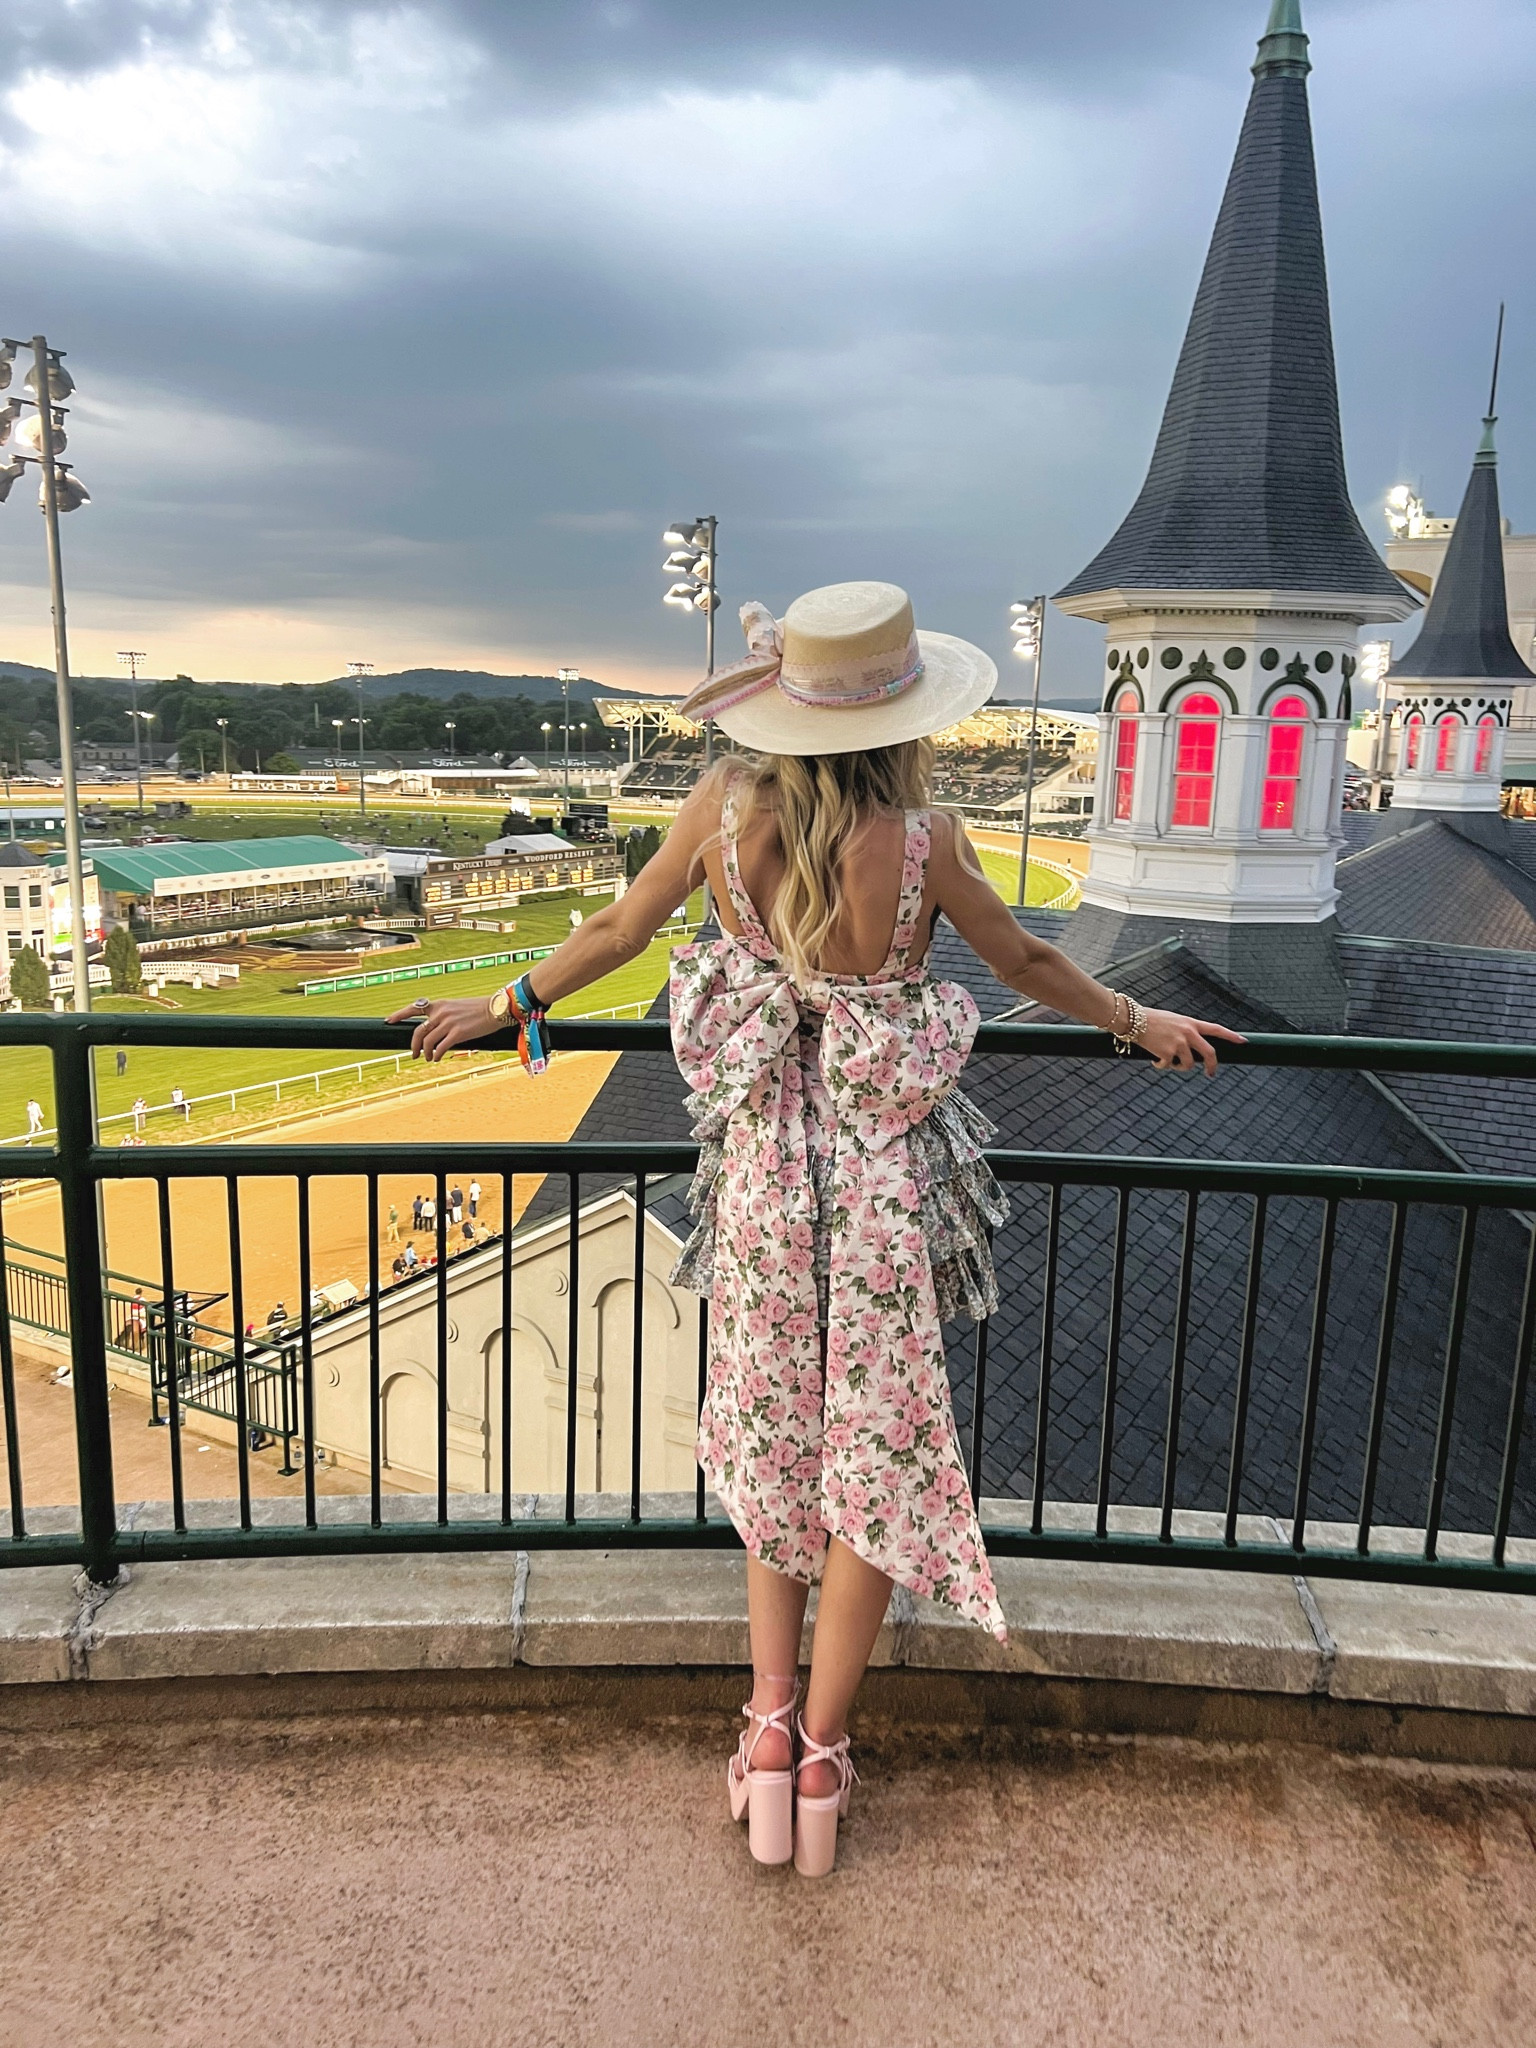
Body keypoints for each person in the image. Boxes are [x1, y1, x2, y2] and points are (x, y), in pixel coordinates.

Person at [387, 580, 1241, 1876]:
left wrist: (506, 1003)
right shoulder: (927, 840)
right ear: (904, 717)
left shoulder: (724, 814)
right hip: (881, 1179)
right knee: (877, 1456)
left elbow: (618, 929)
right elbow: (1025, 964)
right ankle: (826, 1757)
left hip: (764, 1184)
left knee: (776, 1443)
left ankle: (768, 1730)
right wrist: (1140, 1020)